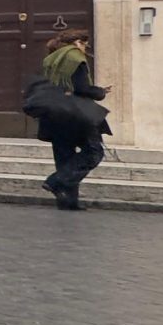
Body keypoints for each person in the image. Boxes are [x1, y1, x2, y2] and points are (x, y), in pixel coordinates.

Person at [33, 29, 108, 211]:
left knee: (64, 156)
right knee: (94, 152)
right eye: (84, 44)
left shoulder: (50, 59)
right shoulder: (75, 58)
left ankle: (67, 202)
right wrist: (100, 92)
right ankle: (56, 181)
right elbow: (81, 88)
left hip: (54, 113)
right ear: (77, 42)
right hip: (76, 114)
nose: (84, 49)